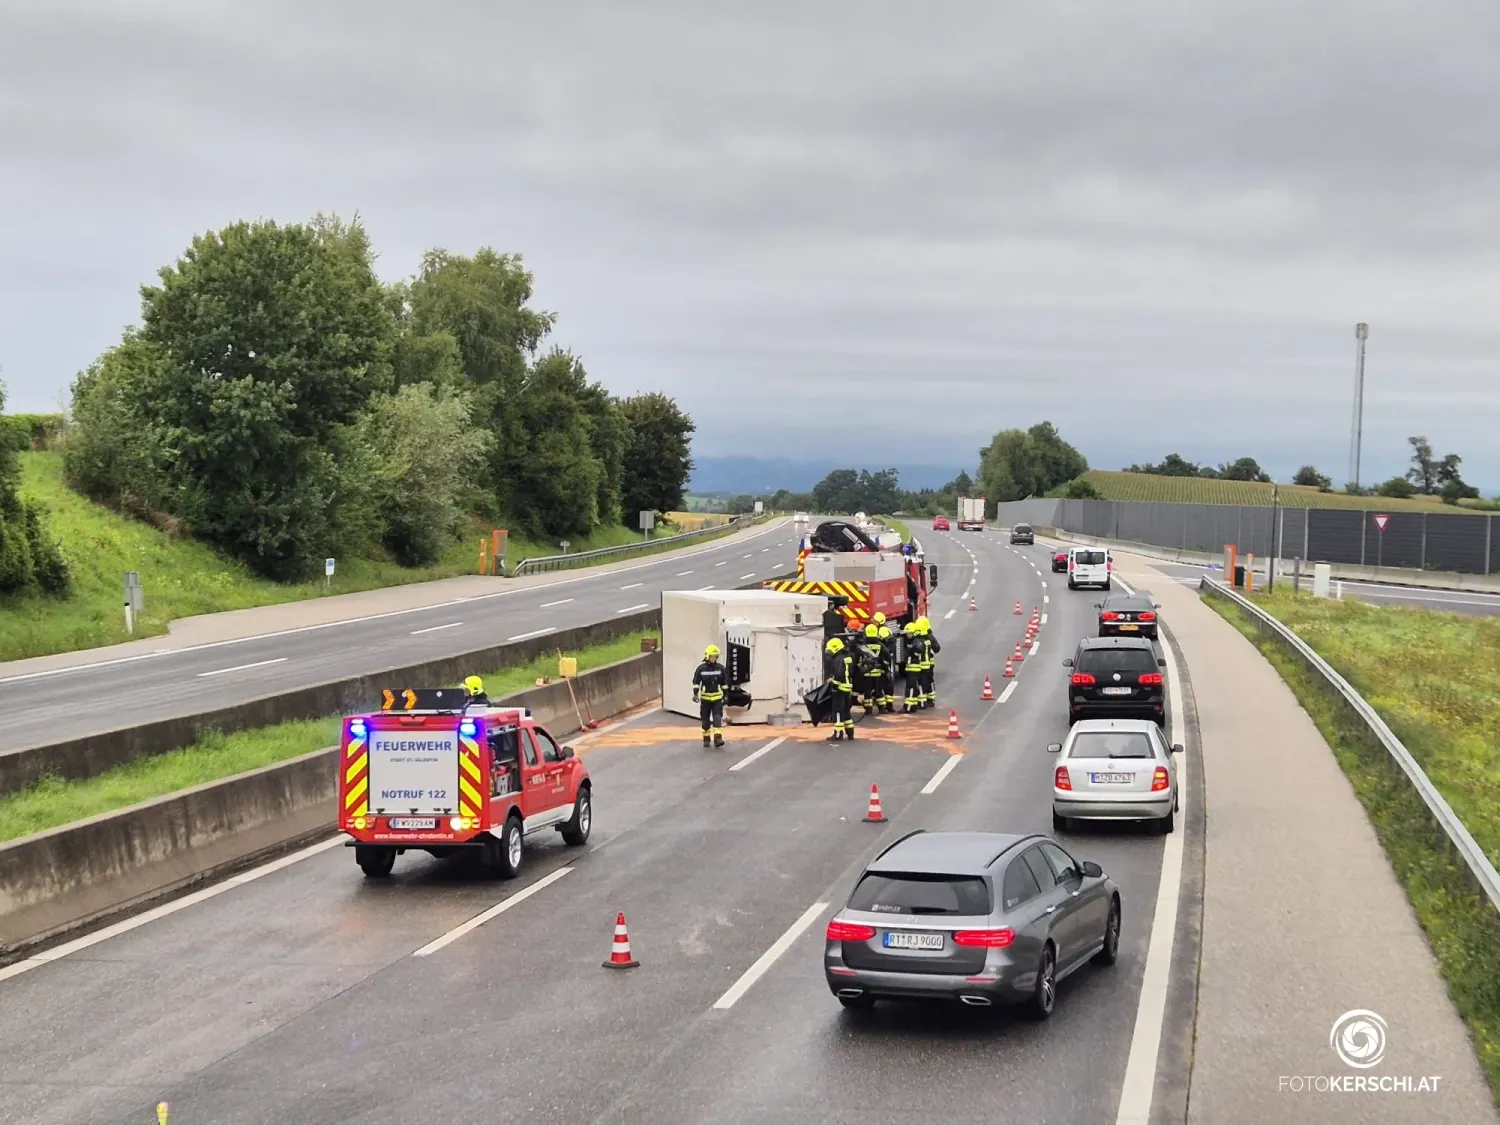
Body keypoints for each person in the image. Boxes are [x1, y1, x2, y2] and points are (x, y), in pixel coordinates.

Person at [692, 644, 728, 747]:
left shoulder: (720, 668)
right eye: (712, 656)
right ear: (708, 656)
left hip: (717, 698)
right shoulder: (701, 669)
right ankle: (706, 738)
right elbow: (696, 683)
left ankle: (718, 738)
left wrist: (725, 696)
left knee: (717, 718)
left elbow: (724, 684)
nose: (714, 658)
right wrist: (695, 694)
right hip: (705, 698)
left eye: (716, 656)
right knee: (705, 719)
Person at [825, 636, 856, 741]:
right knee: (846, 711)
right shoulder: (848, 657)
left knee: (838, 711)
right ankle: (850, 733)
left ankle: (838, 734)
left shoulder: (838, 659)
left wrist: (832, 681)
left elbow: (839, 675)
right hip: (848, 688)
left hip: (839, 689)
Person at [859, 622, 886, 717]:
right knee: (879, 691)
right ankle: (882, 708)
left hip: (867, 673)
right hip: (877, 673)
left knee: (867, 692)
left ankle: (868, 710)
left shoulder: (863, 646)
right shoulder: (880, 645)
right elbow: (887, 656)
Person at [917, 616, 941, 708]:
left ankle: (926, 700)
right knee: (929, 680)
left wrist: (928, 652)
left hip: (926, 663)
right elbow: (936, 648)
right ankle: (930, 699)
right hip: (929, 663)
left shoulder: (926, 637)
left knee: (924, 681)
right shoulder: (929, 636)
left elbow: (937, 648)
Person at [901, 621, 925, 712]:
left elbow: (919, 649)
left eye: (909, 633)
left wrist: (913, 650)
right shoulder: (912, 641)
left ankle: (908, 707)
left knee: (910, 687)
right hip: (911, 667)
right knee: (912, 686)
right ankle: (913, 705)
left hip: (914, 668)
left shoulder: (916, 641)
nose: (908, 634)